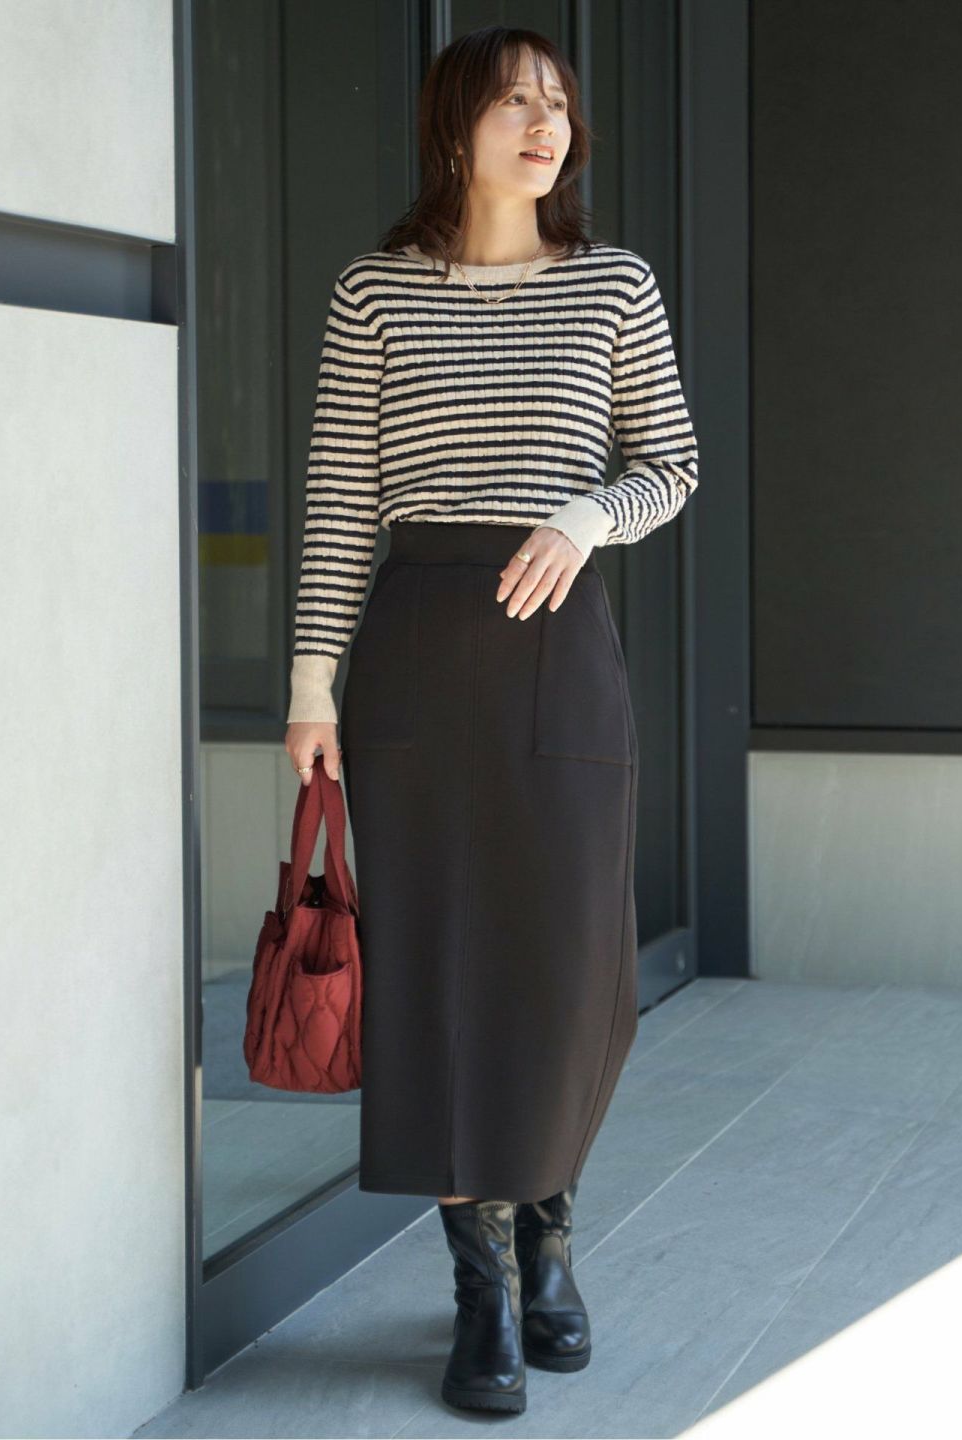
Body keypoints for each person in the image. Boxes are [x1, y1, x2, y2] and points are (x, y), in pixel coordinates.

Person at [283, 25, 699, 1416]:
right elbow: (342, 497)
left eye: (559, 104)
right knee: (439, 970)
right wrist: (311, 682)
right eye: (516, 100)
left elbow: (670, 463)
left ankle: (550, 1245)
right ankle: (484, 1291)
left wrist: (584, 516)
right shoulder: (375, 291)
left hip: (559, 653)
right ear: (454, 123)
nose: (544, 123)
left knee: (566, 965)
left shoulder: (613, 284)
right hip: (415, 656)